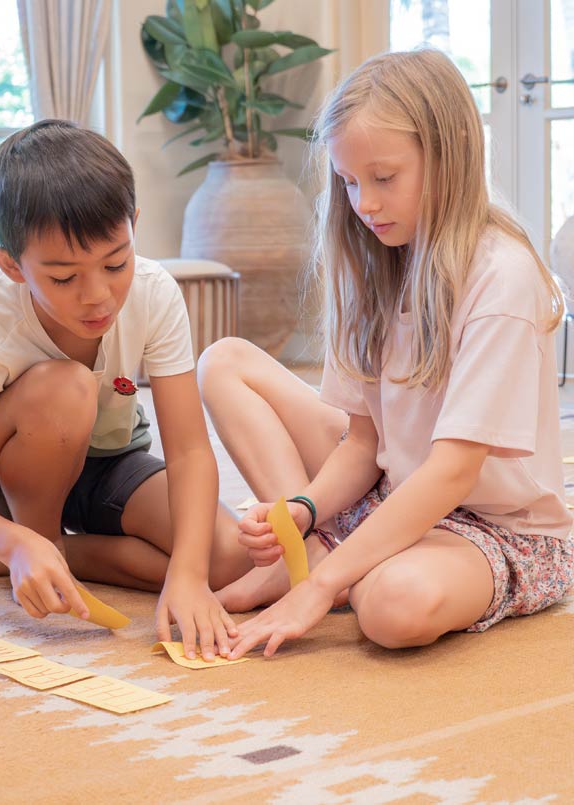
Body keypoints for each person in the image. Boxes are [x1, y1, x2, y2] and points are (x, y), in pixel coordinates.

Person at [197, 50, 574, 659]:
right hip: (392, 489)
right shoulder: (370, 260)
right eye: (348, 182)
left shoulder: (500, 277)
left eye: (383, 178)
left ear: (449, 154)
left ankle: (333, 563)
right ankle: (314, 548)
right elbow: (363, 444)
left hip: (498, 526)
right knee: (224, 362)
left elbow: (453, 471)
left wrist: (322, 587)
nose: (364, 203)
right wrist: (304, 507)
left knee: (393, 607)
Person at [0, 120, 258, 661]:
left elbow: (190, 452)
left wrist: (190, 575)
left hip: (110, 464)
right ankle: (34, 545)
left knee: (232, 561)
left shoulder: (154, 293)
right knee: (68, 388)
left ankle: (54, 556)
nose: (98, 295)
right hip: (14, 482)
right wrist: (15, 539)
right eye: (63, 278)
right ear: (10, 265)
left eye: (116, 263)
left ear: (134, 227)